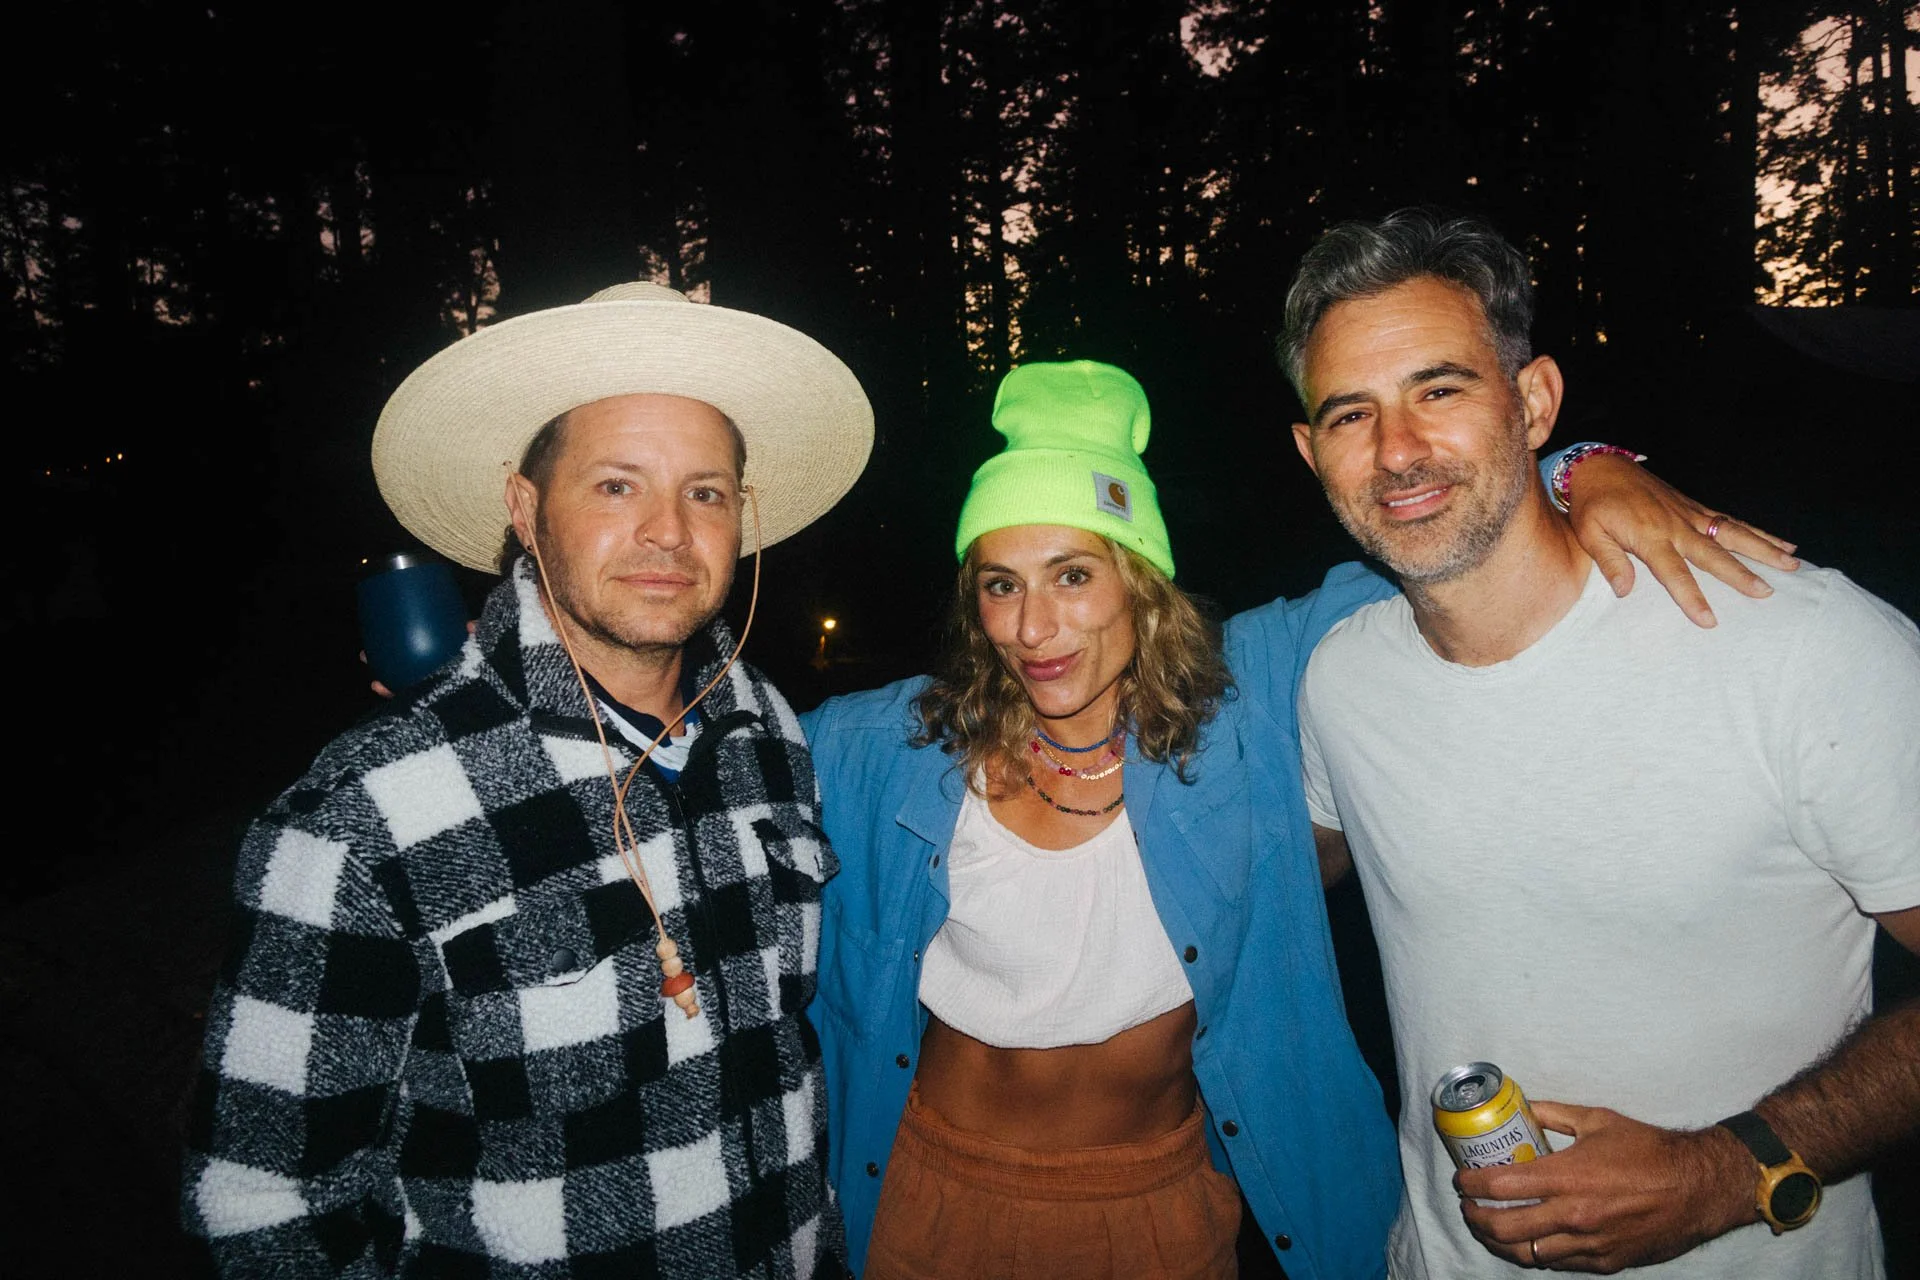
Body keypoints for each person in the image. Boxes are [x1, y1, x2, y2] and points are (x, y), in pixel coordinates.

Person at [803, 359, 1788, 1279]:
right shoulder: (887, 743)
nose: (1032, 626)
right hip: (933, 1187)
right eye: (1000, 584)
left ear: (1140, 584)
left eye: (1073, 574)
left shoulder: (1250, 698)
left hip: (1152, 1201)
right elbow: (714, 751)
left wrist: (1584, 469)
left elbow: (1444, 543)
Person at [182, 282, 873, 1278]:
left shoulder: (766, 725)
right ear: (524, 504)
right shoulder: (366, 813)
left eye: (706, 489)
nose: (670, 531)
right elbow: (264, 1208)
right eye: (616, 483)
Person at [1285, 209, 1920, 1278]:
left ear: (1533, 401)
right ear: (1310, 452)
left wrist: (1728, 1168)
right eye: (1352, 414)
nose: (1398, 452)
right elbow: (1243, 881)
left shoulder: (1798, 645)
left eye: (1441, 389)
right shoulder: (1339, 680)